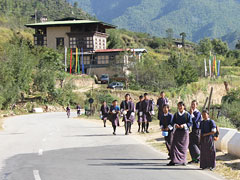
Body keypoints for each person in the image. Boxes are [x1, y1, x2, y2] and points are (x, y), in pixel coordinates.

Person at [168, 102, 192, 166]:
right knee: (174, 146)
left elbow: (190, 123)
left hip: (184, 133)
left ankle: (183, 161)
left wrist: (184, 125)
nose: (180, 107)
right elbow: (172, 122)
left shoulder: (187, 114)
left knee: (184, 147)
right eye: (179, 106)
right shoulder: (176, 115)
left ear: (184, 106)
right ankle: (173, 160)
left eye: (181, 106)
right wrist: (175, 125)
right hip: (177, 132)